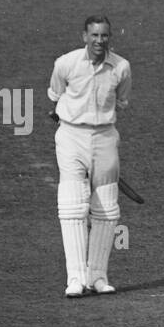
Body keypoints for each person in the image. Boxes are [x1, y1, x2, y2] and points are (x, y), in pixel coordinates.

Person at [48, 15, 132, 298]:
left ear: (110, 37)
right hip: (71, 136)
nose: (99, 41)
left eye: (104, 36)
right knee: (72, 207)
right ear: (85, 36)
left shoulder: (120, 67)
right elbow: (55, 94)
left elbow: (121, 101)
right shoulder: (66, 64)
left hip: (105, 137)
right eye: (94, 35)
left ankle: (97, 276)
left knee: (107, 210)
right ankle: (75, 278)